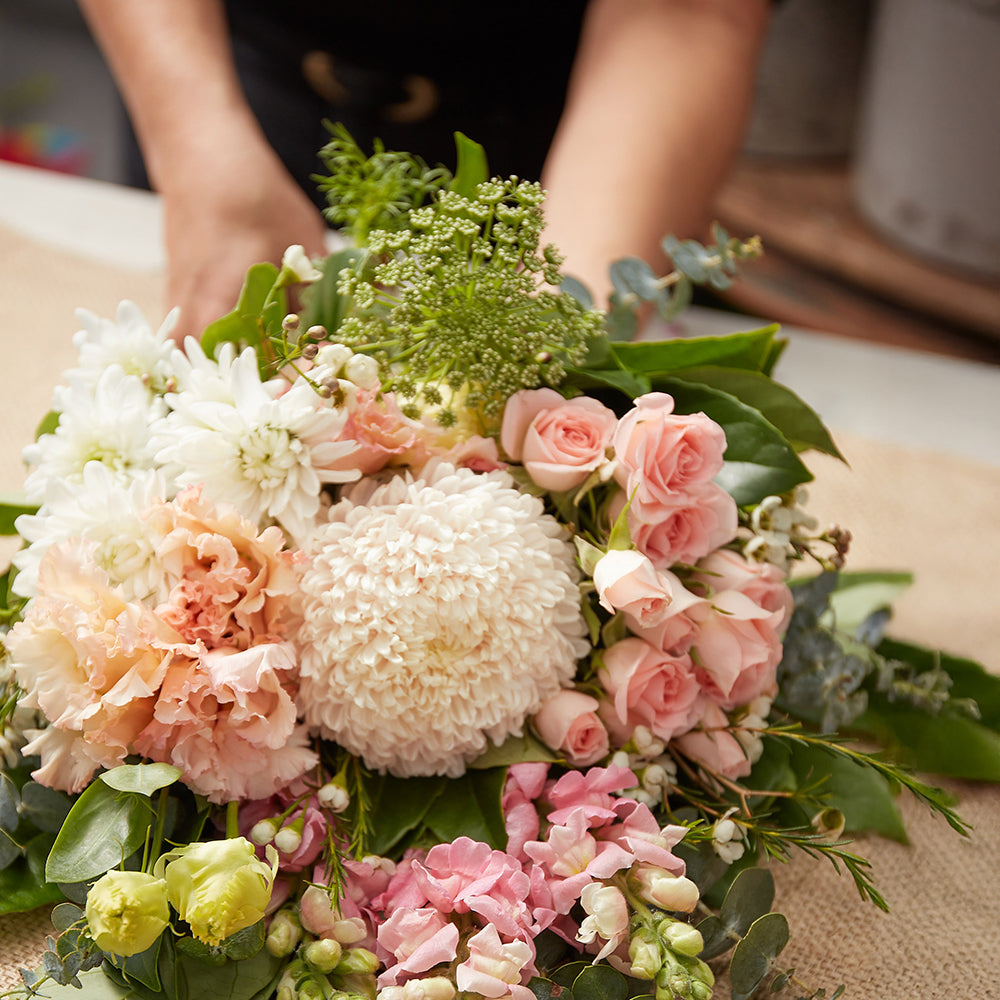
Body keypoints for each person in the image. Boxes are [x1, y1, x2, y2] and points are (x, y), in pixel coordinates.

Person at [77, 0, 771, 342]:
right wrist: (199, 146)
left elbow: (685, 11)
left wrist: (557, 318)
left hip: (572, 129)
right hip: (227, 81)